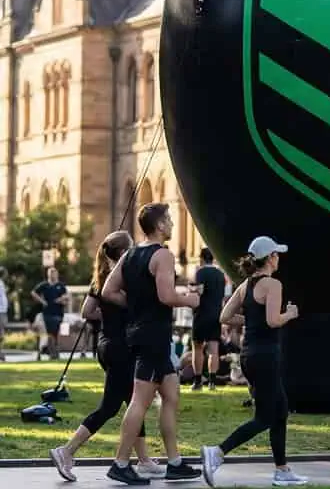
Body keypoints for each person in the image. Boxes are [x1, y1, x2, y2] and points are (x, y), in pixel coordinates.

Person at [49, 232, 164, 482]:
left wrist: (109, 316)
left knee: (133, 402)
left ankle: (144, 460)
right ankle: (66, 451)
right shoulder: (125, 279)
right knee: (110, 406)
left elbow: (87, 311)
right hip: (122, 348)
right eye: (131, 249)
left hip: (105, 345)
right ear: (123, 253)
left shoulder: (100, 278)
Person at [102, 203, 201, 484]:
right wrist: (191, 300)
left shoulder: (130, 254)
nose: (172, 223)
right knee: (140, 401)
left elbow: (108, 290)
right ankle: (120, 463)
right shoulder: (163, 255)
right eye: (168, 219)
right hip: (153, 336)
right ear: (159, 225)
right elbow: (167, 296)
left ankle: (175, 462)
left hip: (141, 333)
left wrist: (135, 305)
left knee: (171, 395)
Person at [200, 236, 307, 487]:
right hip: (265, 355)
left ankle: (282, 470)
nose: (279, 258)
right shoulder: (273, 284)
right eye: (276, 254)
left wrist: (251, 319)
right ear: (269, 258)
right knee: (266, 417)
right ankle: (217, 452)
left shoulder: (246, 285)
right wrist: (290, 314)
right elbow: (273, 320)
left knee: (280, 410)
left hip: (249, 355)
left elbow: (224, 316)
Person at [190, 247, 227, 391]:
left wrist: (191, 289)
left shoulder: (201, 272)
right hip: (216, 314)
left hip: (201, 314)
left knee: (197, 347)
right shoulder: (220, 274)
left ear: (201, 258)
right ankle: (212, 382)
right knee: (214, 350)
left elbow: (200, 290)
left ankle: (198, 381)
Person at [31, 266, 70, 359]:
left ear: (57, 274)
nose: (53, 275)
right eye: (51, 273)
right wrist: (42, 301)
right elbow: (33, 293)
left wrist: (61, 299)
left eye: (54, 273)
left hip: (58, 314)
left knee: (56, 334)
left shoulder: (61, 286)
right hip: (46, 313)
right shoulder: (44, 285)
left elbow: (67, 298)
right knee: (46, 333)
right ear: (48, 274)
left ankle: (55, 353)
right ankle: (43, 352)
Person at [0, 265, 8, 361]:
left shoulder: (1, 283)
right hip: (1, 311)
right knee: (1, 333)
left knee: (2, 333)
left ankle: (1, 353)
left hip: (2, 311)